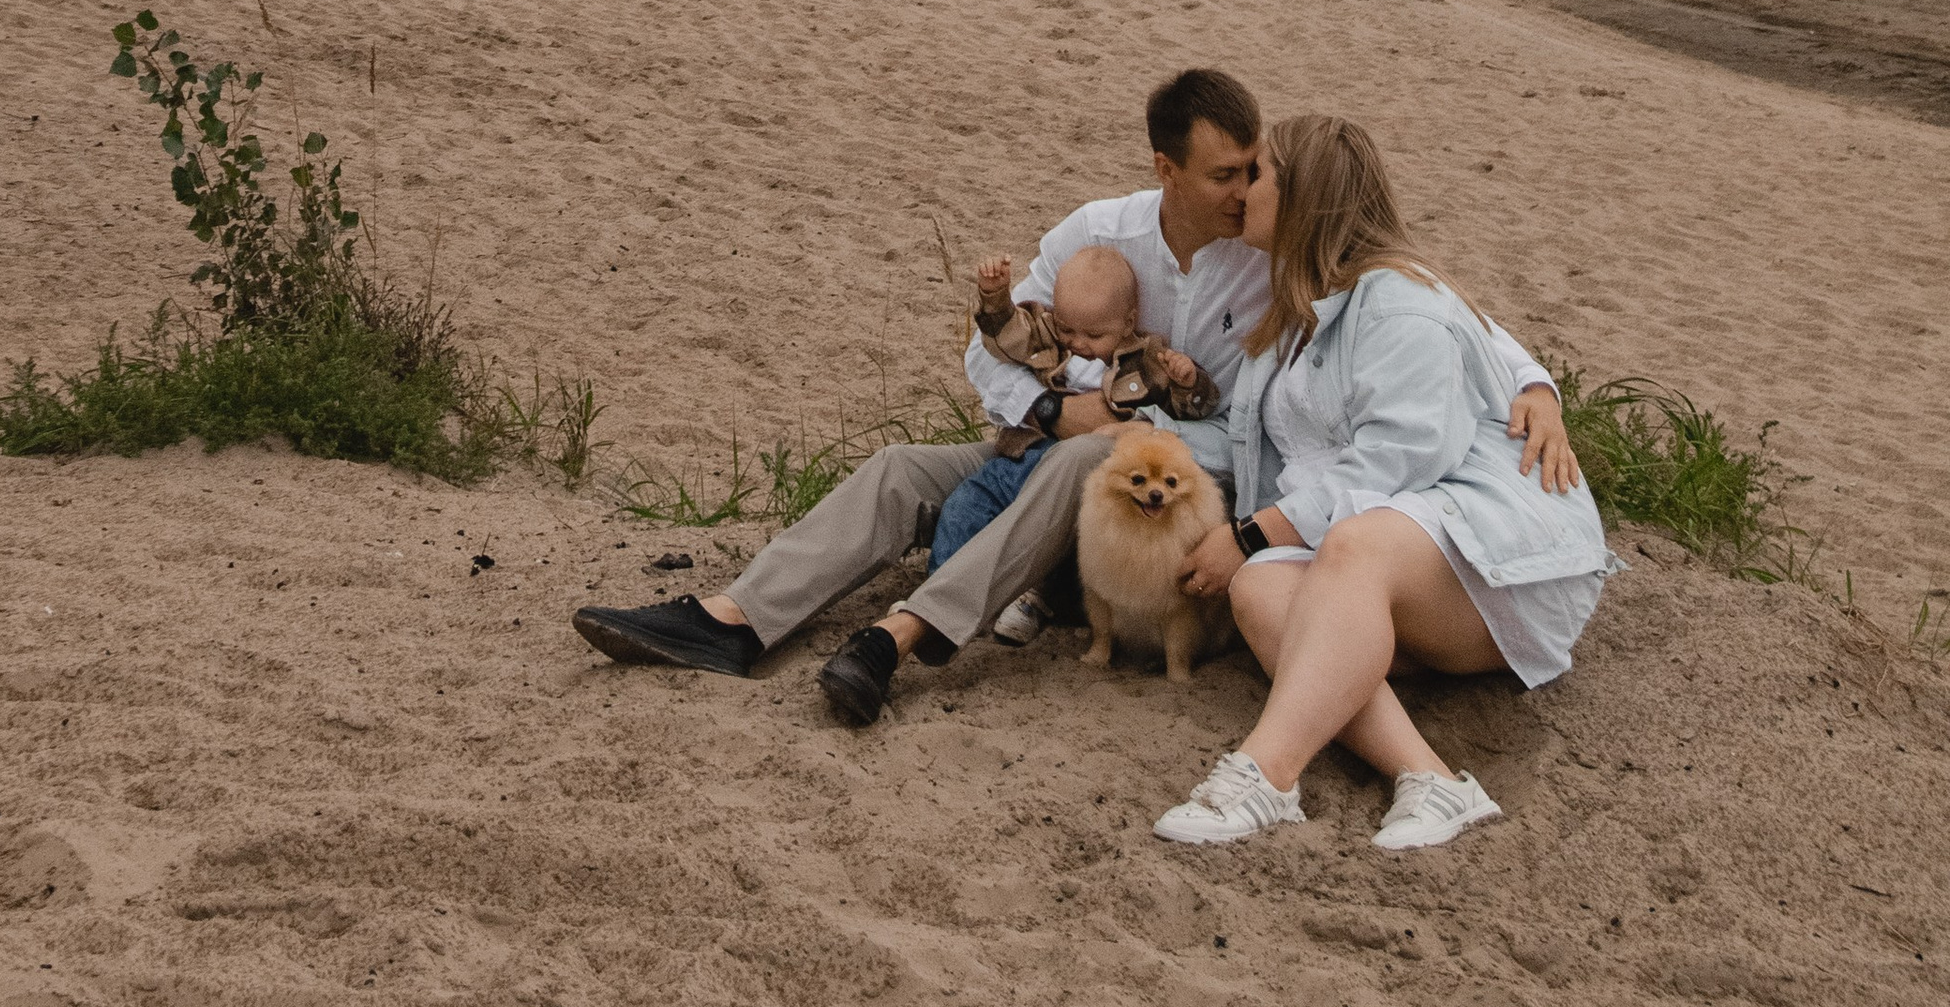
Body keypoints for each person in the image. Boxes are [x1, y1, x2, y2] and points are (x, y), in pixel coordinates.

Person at [569, 63, 1578, 728]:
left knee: (1088, 464)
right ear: (1165, 171)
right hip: (1075, 441)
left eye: (1252, 173)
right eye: (1224, 174)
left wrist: (1533, 384)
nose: (1240, 192)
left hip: (1182, 481)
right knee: (903, 470)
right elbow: (997, 354)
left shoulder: (1280, 265)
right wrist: (1056, 410)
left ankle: (903, 633)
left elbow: (1437, 308)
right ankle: (735, 621)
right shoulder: (1100, 233)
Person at [1151, 110, 1612, 855]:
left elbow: (1396, 463)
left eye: (1259, 173)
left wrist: (1253, 531)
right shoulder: (1299, 310)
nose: (1242, 190)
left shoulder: (1400, 301)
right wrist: (1141, 437)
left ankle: (1265, 775)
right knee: (1261, 590)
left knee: (1352, 539)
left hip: (1504, 557)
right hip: (1399, 559)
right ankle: (1433, 780)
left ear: (1304, 194)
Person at [922, 240, 1147, 578]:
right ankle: (938, 585)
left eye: (1094, 334)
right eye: (1067, 328)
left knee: (1052, 539)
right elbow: (1011, 337)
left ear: (1128, 324)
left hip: (1082, 476)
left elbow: (1180, 405)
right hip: (1023, 457)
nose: (1078, 343)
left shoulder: (1142, 363)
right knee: (966, 505)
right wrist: (996, 300)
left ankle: (1030, 598)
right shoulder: (1052, 340)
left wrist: (1187, 380)